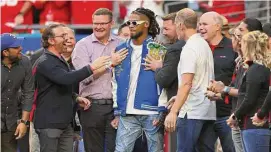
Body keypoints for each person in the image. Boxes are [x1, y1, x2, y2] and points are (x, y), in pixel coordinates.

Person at [33, 23, 111, 152]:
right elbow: (66, 79)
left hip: (64, 124)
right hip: (50, 124)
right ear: (51, 41)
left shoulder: (59, 60)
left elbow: (56, 87)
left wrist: (75, 98)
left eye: (68, 36)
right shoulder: (45, 61)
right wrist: (91, 67)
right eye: (62, 36)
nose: (67, 39)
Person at [72, 8, 126, 152]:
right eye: (95, 23)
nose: (98, 27)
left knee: (117, 149)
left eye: (103, 23)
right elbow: (84, 77)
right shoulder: (82, 46)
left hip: (118, 108)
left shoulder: (122, 44)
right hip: (92, 107)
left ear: (112, 23)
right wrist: (110, 64)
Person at [112, 7, 166, 152]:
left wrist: (162, 109)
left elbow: (163, 82)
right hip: (127, 112)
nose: (130, 25)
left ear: (146, 24)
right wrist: (117, 109)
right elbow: (115, 80)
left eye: (134, 22)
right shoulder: (120, 49)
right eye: (129, 22)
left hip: (152, 111)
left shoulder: (157, 49)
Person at [207, 18, 263, 152]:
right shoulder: (240, 61)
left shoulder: (257, 63)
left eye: (240, 33)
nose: (235, 38)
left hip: (251, 122)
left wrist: (224, 89)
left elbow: (248, 93)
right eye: (234, 35)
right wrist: (219, 93)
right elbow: (237, 90)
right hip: (238, 119)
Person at [164, 8, 216, 152]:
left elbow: (187, 83)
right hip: (207, 111)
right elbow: (199, 80)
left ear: (180, 25)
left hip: (191, 111)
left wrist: (174, 112)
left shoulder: (190, 48)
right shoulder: (204, 44)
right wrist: (178, 97)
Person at [198, 11, 237, 152]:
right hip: (203, 113)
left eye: (205, 24)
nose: (201, 27)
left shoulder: (233, 47)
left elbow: (239, 79)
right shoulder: (197, 48)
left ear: (217, 27)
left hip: (227, 113)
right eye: (199, 24)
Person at [228, 31, 271, 152]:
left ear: (249, 47)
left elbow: (249, 98)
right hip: (252, 125)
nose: (241, 47)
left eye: (243, 44)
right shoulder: (258, 68)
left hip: (254, 125)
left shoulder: (256, 69)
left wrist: (235, 115)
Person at [154, 12, 186, 152]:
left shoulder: (175, 49)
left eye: (167, 29)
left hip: (178, 108)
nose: (164, 33)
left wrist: (157, 68)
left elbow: (164, 79)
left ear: (179, 26)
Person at [1, 33, 34, 152]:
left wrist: (24, 122)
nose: (21, 48)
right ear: (5, 52)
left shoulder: (25, 61)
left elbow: (29, 92)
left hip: (11, 121)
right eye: (16, 47)